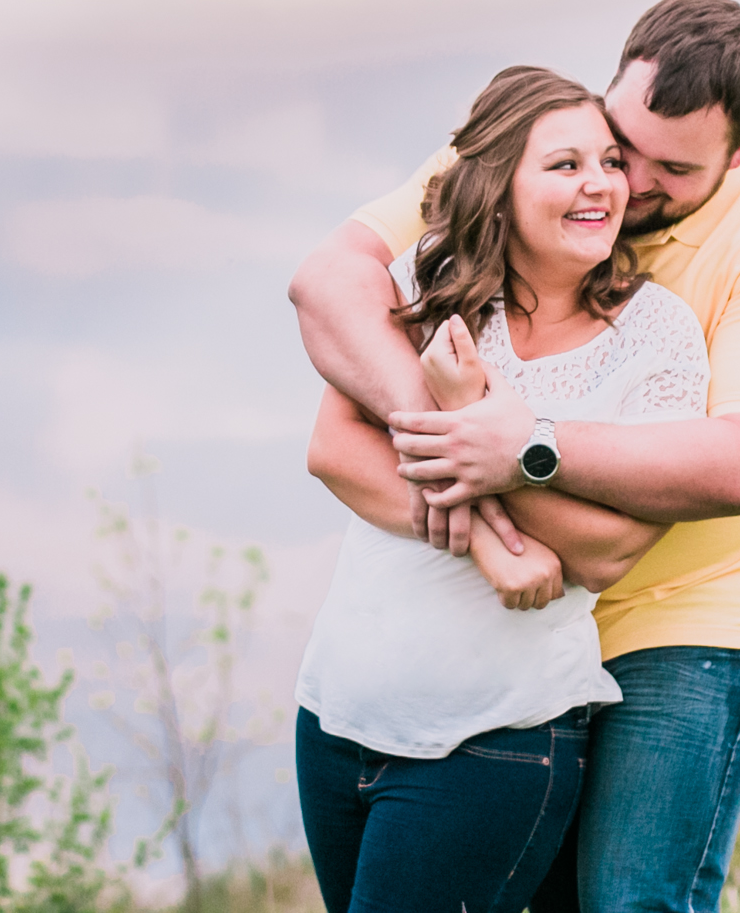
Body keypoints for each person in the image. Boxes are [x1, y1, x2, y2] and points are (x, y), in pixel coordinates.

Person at [289, 0, 740, 912]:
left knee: (627, 898)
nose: (624, 181)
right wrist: (446, 434)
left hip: (687, 613)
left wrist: (522, 446)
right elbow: (328, 281)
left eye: (671, 168)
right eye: (620, 144)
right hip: (516, 614)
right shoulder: (532, 151)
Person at [294, 65, 713, 913]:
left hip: (495, 743)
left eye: (607, 161)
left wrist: (483, 431)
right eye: (564, 165)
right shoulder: (432, 283)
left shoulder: (658, 336)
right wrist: (485, 516)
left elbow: (606, 548)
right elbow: (335, 450)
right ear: (498, 186)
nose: (601, 183)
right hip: (336, 720)